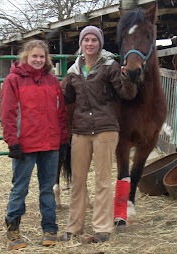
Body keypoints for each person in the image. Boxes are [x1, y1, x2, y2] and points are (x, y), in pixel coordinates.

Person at [59, 26, 137, 243]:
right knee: (77, 180)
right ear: (81, 44)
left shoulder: (110, 66)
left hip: (105, 129)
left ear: (99, 43)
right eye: (86, 40)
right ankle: (74, 226)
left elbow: (126, 94)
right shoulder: (74, 70)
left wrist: (128, 78)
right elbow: (66, 98)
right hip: (80, 131)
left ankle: (102, 227)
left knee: (103, 180)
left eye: (94, 40)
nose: (90, 43)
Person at [0, 39, 68, 250]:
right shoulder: (13, 80)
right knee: (20, 189)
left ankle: (50, 229)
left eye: (42, 56)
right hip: (25, 145)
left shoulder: (52, 81)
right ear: (26, 57)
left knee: (47, 189)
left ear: (46, 58)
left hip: (50, 144)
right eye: (34, 56)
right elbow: (7, 113)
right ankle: (13, 230)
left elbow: (61, 112)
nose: (38, 60)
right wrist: (12, 141)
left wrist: (63, 138)